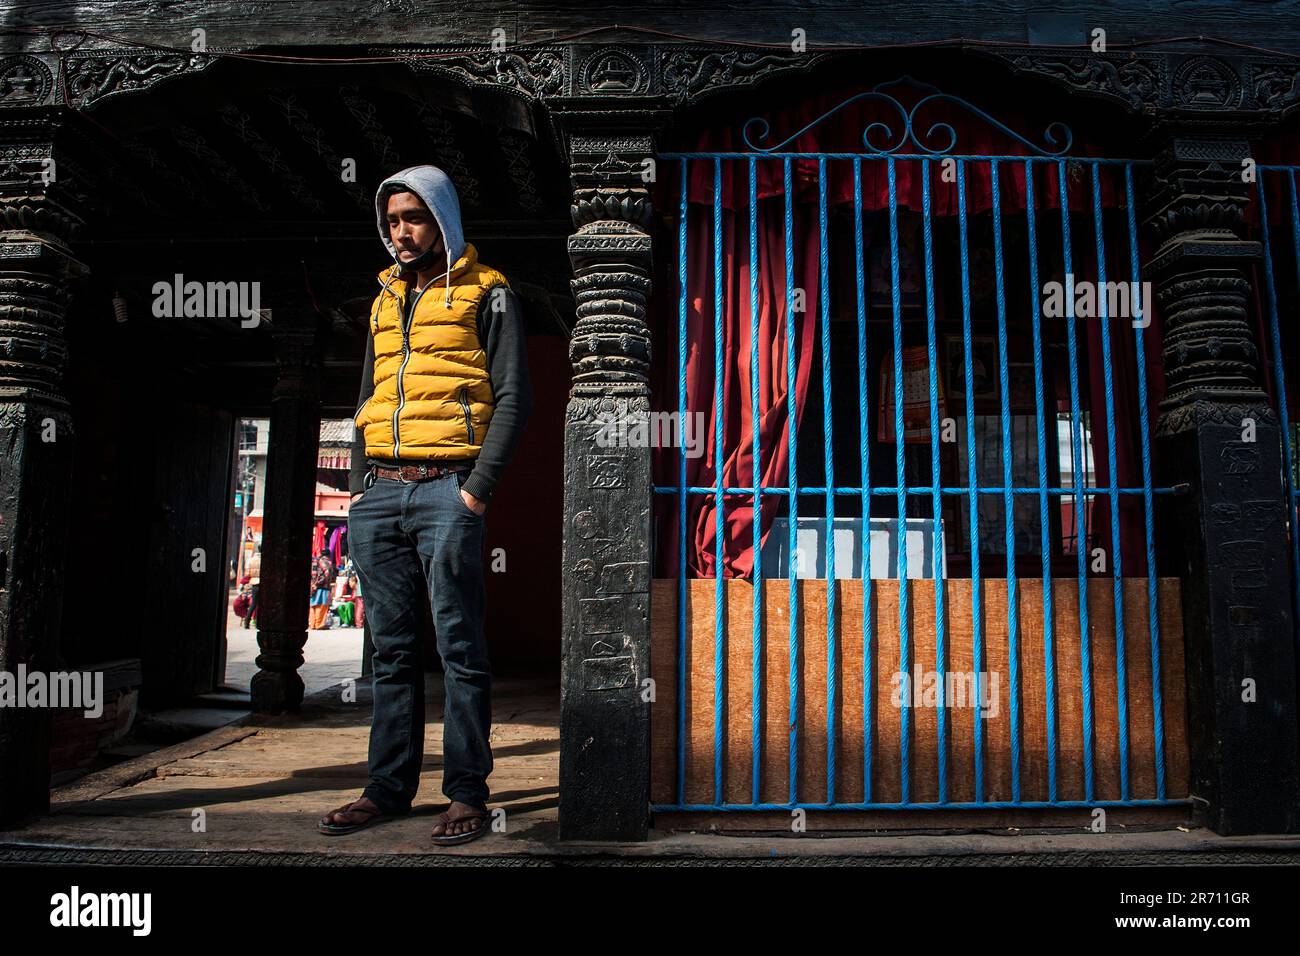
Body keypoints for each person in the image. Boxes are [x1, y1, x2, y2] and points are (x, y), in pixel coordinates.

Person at [318, 165, 531, 846]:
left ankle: (467, 792)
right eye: (391, 222)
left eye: (412, 218)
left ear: (441, 216)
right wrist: (360, 491)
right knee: (392, 652)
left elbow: (513, 397)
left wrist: (475, 490)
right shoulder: (381, 300)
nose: (400, 233)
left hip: (447, 489)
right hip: (380, 494)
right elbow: (367, 400)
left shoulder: (488, 291)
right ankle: (386, 788)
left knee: (460, 647)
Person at [308, 553, 332, 630]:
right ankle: (319, 625)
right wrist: (318, 583)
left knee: (312, 606)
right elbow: (326, 574)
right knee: (322, 605)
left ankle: (313, 624)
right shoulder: (325, 562)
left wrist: (313, 584)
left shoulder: (313, 561)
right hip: (322, 587)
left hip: (312, 587)